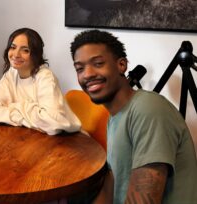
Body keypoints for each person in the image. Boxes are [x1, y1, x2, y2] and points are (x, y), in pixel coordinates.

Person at [70, 29, 197, 204]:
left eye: (98, 63)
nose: (88, 74)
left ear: (121, 65)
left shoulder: (148, 109)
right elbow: (111, 185)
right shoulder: (114, 118)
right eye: (80, 68)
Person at [0, 28, 80, 135]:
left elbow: (53, 123)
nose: (16, 54)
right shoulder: (11, 73)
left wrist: (14, 107)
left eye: (25, 50)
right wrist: (24, 116)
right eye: (13, 47)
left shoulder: (46, 77)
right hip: (27, 135)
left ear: (36, 54)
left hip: (64, 140)